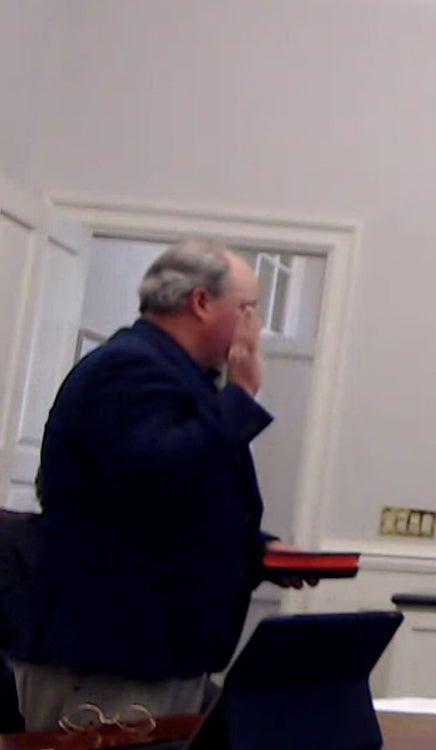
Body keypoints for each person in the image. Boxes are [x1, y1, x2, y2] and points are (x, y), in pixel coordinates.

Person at [9, 239, 309, 731]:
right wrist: (241, 395)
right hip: (113, 652)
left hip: (159, 649)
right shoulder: (126, 367)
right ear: (200, 303)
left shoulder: (179, 375)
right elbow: (158, 475)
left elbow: (175, 509)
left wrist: (260, 552)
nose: (255, 327)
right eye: (248, 309)